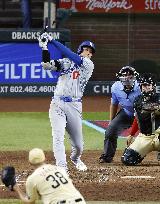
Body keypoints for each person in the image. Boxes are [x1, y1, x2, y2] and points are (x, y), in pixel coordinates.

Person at [38, 32, 95, 172]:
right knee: (58, 136)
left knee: (79, 145)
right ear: (80, 49)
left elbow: (68, 53)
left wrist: (53, 40)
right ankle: (61, 167)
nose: (87, 53)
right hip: (57, 103)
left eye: (90, 51)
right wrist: (44, 47)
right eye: (85, 49)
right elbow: (46, 65)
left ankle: (75, 159)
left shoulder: (88, 65)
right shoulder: (66, 62)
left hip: (74, 105)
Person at [12, 148, 86, 203]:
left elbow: (30, 201)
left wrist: (16, 188)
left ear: (30, 162)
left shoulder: (32, 179)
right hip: (80, 201)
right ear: (45, 158)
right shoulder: (60, 169)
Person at [99, 66, 141, 163]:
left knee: (153, 133)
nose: (127, 78)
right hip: (126, 113)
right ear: (120, 77)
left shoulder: (140, 87)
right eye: (124, 75)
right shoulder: (115, 87)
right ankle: (107, 156)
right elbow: (114, 104)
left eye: (130, 75)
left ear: (134, 77)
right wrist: (111, 121)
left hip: (141, 115)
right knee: (110, 131)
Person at [122, 73, 160, 165]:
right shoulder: (137, 100)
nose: (145, 87)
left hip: (158, 135)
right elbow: (137, 118)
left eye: (147, 85)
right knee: (128, 159)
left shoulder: (158, 98)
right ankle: (143, 152)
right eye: (143, 85)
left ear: (153, 86)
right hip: (144, 137)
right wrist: (131, 134)